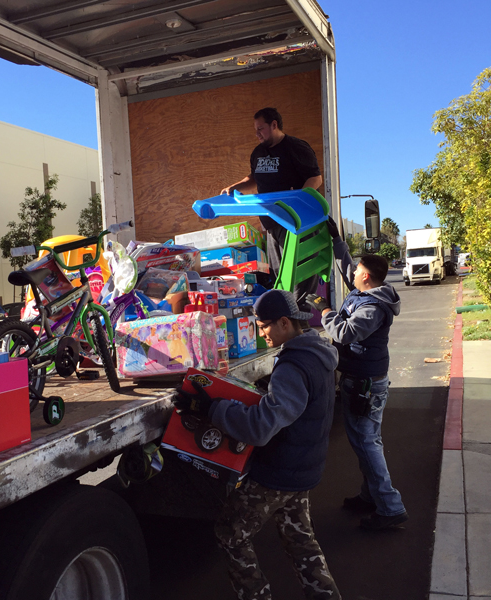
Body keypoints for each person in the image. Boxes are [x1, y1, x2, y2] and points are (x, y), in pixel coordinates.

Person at [174, 290, 341, 600]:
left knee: (230, 534)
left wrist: (209, 408)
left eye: (264, 326)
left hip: (278, 473)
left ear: (284, 323)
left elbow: (260, 427)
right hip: (303, 467)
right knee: (301, 541)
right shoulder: (318, 353)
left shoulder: (292, 366)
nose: (261, 333)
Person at [306, 218, 408, 530]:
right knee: (366, 441)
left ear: (365, 277)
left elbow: (345, 332)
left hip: (365, 384)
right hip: (362, 379)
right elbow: (345, 262)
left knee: (366, 442)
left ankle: (390, 507)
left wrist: (324, 310)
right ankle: (370, 496)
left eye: (357, 270)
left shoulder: (372, 308)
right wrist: (337, 240)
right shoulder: (367, 292)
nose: (352, 272)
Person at [220, 107, 323, 309]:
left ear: (274, 125)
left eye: (261, 128)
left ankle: (299, 320)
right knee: (280, 271)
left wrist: (299, 200)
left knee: (300, 272)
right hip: (272, 222)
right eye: (256, 129)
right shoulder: (258, 152)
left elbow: (315, 177)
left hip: (296, 222)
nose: (257, 133)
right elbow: (254, 178)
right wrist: (235, 187)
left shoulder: (296, 147)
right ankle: (287, 316)